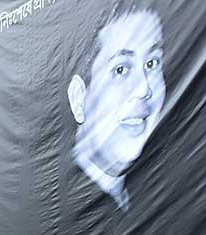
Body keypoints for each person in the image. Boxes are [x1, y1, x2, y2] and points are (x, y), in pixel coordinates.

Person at [66, 1, 165, 211]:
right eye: (120, 69)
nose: (143, 89)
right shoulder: (58, 211)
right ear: (78, 98)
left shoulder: (161, 188)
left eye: (152, 64)